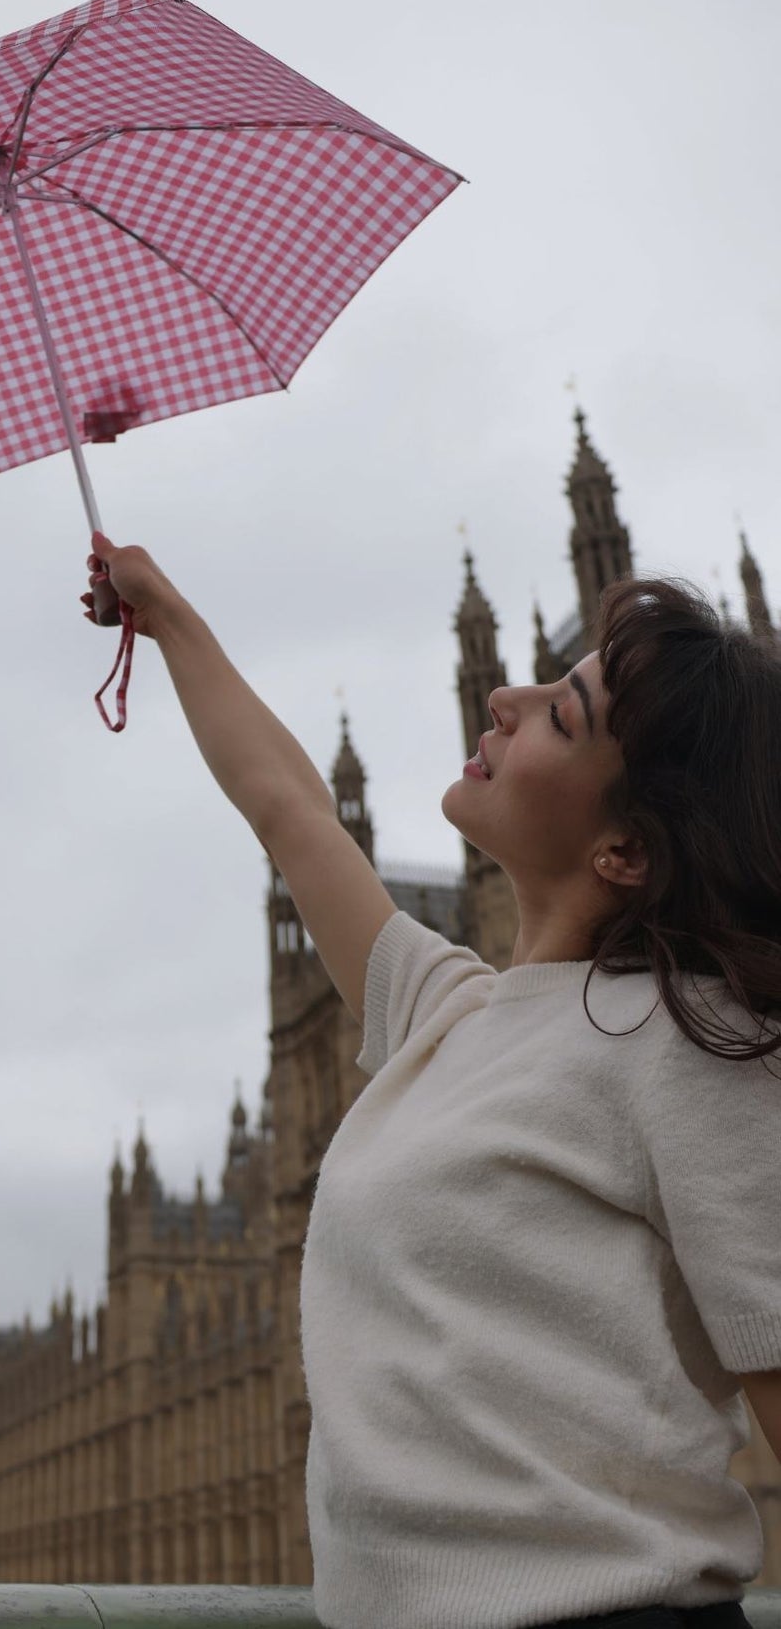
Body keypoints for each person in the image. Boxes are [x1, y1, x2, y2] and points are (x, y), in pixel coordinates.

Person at [83, 535, 781, 1629]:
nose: (504, 695)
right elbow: (289, 812)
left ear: (625, 851)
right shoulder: (444, 1015)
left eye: (560, 713)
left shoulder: (695, 1048)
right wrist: (162, 612)